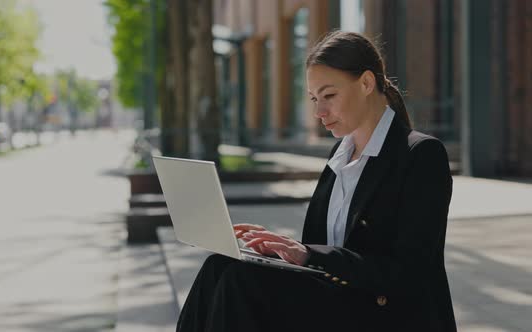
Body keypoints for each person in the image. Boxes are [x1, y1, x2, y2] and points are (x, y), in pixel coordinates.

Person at [176, 30, 456, 332]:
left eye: (329, 95)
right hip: (339, 299)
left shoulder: (420, 154)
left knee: (241, 282)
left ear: (366, 83)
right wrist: (278, 250)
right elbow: (328, 247)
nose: (319, 112)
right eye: (314, 99)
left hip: (386, 312)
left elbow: (408, 273)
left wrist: (308, 253)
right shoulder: (341, 153)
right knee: (220, 265)